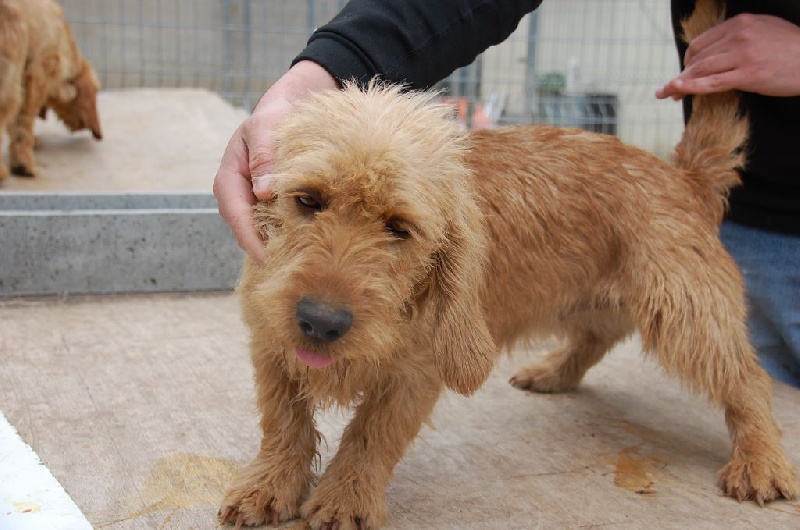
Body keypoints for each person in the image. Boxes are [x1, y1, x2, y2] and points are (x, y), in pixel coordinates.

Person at [213, 0, 800, 386]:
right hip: (759, 217)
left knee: (725, 367)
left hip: (701, 219)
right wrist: (325, 68)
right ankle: (580, 356)